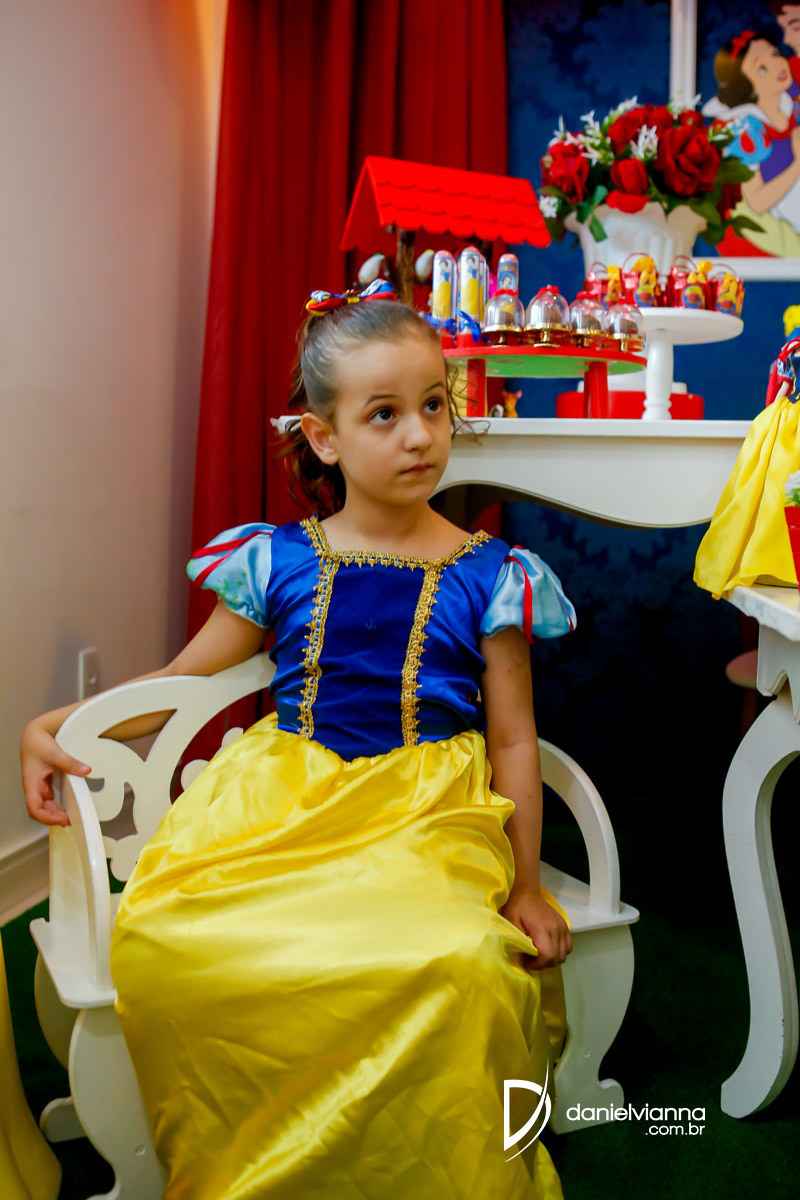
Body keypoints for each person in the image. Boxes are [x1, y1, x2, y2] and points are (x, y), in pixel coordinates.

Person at [20, 282, 576, 1200]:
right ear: (324, 437)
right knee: (169, 940)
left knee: (458, 962)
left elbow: (513, 740)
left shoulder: (491, 575)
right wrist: (53, 725)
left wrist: (524, 885)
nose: (418, 435)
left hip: (422, 818)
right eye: (384, 414)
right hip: (280, 805)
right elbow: (180, 680)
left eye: (434, 406)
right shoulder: (276, 559)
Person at [704, 28, 800, 254]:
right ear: (746, 85)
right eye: (762, 68)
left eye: (775, 54)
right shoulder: (745, 130)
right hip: (786, 207)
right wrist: (798, 163)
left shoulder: (792, 104)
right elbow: (757, 202)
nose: (777, 65)